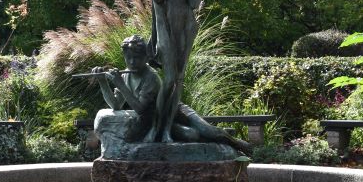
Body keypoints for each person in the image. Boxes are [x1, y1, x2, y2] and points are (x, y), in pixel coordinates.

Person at [94, 35, 251, 155]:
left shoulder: (151, 77)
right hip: (159, 123)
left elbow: (140, 108)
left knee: (208, 131)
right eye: (129, 58)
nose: (132, 62)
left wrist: (120, 85)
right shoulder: (126, 76)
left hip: (176, 112)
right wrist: (103, 82)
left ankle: (236, 143)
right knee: (192, 135)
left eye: (137, 58)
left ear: (146, 57)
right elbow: (115, 105)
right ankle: (219, 139)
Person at [138, 0, 216, 143]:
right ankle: (155, 129)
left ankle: (167, 132)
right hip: (165, 29)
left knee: (178, 81)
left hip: (185, 26)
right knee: (169, 79)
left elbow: (193, 2)